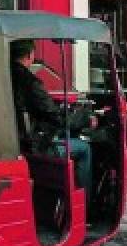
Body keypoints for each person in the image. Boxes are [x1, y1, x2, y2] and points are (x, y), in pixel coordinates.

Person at [10, 39, 95, 197]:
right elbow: (55, 117)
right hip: (34, 146)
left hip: (15, 140)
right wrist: (85, 120)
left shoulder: (4, 78)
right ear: (30, 55)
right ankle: (84, 204)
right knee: (84, 148)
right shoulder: (29, 82)